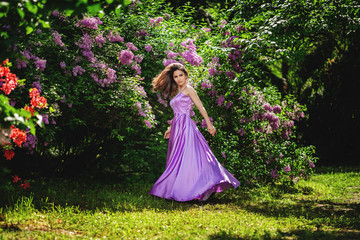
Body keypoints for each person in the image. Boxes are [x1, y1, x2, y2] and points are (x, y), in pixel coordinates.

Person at [149, 63, 240, 202]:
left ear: (186, 75)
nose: (179, 78)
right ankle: (179, 188)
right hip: (177, 128)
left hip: (186, 127)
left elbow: (200, 106)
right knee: (177, 159)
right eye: (175, 77)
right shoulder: (176, 92)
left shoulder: (189, 89)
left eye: (181, 75)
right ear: (173, 79)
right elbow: (176, 113)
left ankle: (200, 188)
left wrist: (209, 124)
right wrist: (170, 128)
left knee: (188, 157)